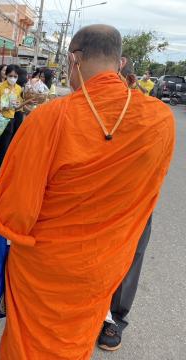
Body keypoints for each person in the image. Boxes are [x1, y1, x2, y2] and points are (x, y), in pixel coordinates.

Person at [0, 24, 175, 359]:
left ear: (74, 59)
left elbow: (15, 210)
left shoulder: (51, 117)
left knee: (31, 344)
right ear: (120, 62)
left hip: (47, 265)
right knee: (77, 339)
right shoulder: (160, 119)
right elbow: (147, 195)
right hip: (106, 263)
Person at [98, 56, 154, 352]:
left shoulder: (148, 115)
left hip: (135, 201)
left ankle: (114, 318)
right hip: (95, 202)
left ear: (130, 83)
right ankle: (90, 309)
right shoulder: (87, 109)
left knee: (131, 256)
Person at [0, 64, 23, 176]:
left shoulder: (18, 89)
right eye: (10, 75)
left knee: (4, 146)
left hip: (10, 119)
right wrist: (1, 105)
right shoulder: (0, 87)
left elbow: (18, 106)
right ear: (6, 75)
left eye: (15, 76)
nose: (12, 78)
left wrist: (18, 104)